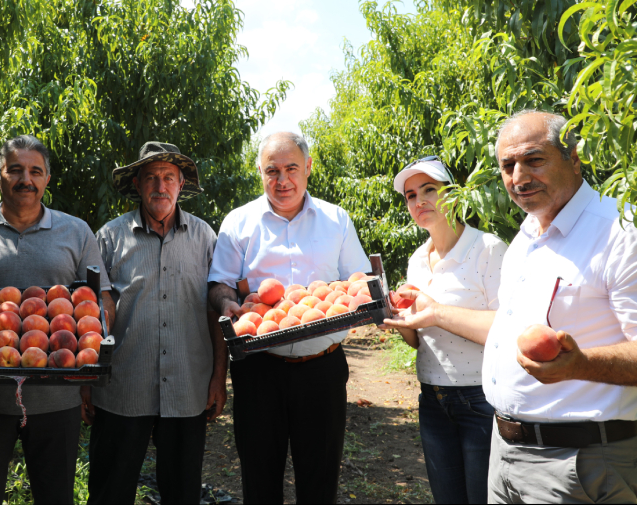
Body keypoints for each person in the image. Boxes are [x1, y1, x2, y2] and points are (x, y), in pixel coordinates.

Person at [383, 110, 637, 503]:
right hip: (506, 453)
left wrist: (581, 364)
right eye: (508, 165)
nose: (519, 177)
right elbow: (505, 331)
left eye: (534, 159)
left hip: (576, 460)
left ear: (573, 157)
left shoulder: (620, 233)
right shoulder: (526, 238)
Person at [0, 134, 115, 505]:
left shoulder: (75, 231)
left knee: (56, 496)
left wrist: (94, 345)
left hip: (55, 396)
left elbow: (103, 298)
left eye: (35, 171)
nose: (25, 179)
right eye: (14, 169)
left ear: (47, 178)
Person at [207, 132, 370, 503]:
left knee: (320, 479)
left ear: (309, 168)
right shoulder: (239, 222)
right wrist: (226, 304)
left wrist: (364, 299)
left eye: (291, 168)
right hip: (259, 370)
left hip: (322, 369)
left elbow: (359, 280)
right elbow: (219, 283)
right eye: (272, 171)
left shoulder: (336, 220)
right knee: (259, 480)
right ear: (261, 174)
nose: (282, 181)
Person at [84, 141, 224, 503]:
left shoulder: (204, 237)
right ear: (137, 184)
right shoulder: (110, 238)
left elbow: (215, 309)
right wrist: (86, 379)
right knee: (109, 489)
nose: (160, 187)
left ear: (181, 185)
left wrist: (218, 377)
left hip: (187, 386)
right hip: (122, 386)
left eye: (168, 178)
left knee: (182, 491)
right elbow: (92, 311)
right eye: (150, 178)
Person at [388, 157, 507, 503]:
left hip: (480, 400)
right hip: (433, 400)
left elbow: (503, 331)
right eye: (411, 195)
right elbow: (418, 340)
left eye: (429, 190)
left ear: (453, 194)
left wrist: (436, 312)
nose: (419, 201)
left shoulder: (487, 249)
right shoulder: (416, 259)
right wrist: (395, 319)